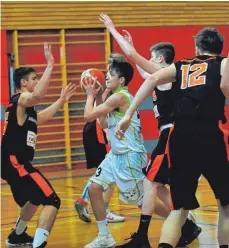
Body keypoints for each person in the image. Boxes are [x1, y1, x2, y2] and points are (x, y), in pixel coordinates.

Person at [116, 27, 229, 247]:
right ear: (220, 48)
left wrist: (128, 115)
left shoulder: (181, 66)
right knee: (225, 205)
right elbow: (224, 85)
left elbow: (150, 80)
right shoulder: (224, 63)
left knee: (178, 210)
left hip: (180, 136)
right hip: (210, 134)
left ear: (197, 48)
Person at [100, 13, 201, 247]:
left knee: (149, 181)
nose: (147, 60)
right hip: (175, 135)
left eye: (150, 57)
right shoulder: (162, 77)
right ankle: (188, 226)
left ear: (160, 59)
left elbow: (135, 58)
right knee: (159, 184)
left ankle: (143, 237)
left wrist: (112, 30)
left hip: (172, 134)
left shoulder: (167, 77)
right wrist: (134, 50)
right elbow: (143, 71)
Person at [1, 43, 76, 248]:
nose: (37, 81)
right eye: (34, 78)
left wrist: (60, 101)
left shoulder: (25, 108)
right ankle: (39, 244)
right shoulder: (23, 98)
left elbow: (41, 118)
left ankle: (17, 236)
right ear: (23, 83)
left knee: (32, 200)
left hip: (11, 162)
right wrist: (50, 65)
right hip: (16, 161)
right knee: (52, 201)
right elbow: (37, 96)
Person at [82, 60, 148, 248]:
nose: (107, 76)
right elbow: (103, 124)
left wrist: (89, 96)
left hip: (130, 156)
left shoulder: (121, 97)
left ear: (121, 80)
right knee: (94, 188)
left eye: (111, 73)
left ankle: (183, 221)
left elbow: (89, 116)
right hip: (115, 156)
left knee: (143, 202)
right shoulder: (113, 98)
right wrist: (99, 96)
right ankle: (105, 236)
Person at [74, 53, 127, 224]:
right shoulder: (111, 87)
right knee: (109, 173)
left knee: (104, 172)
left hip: (92, 129)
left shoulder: (105, 82)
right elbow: (98, 112)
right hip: (98, 129)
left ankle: (84, 201)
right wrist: (109, 136)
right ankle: (104, 210)